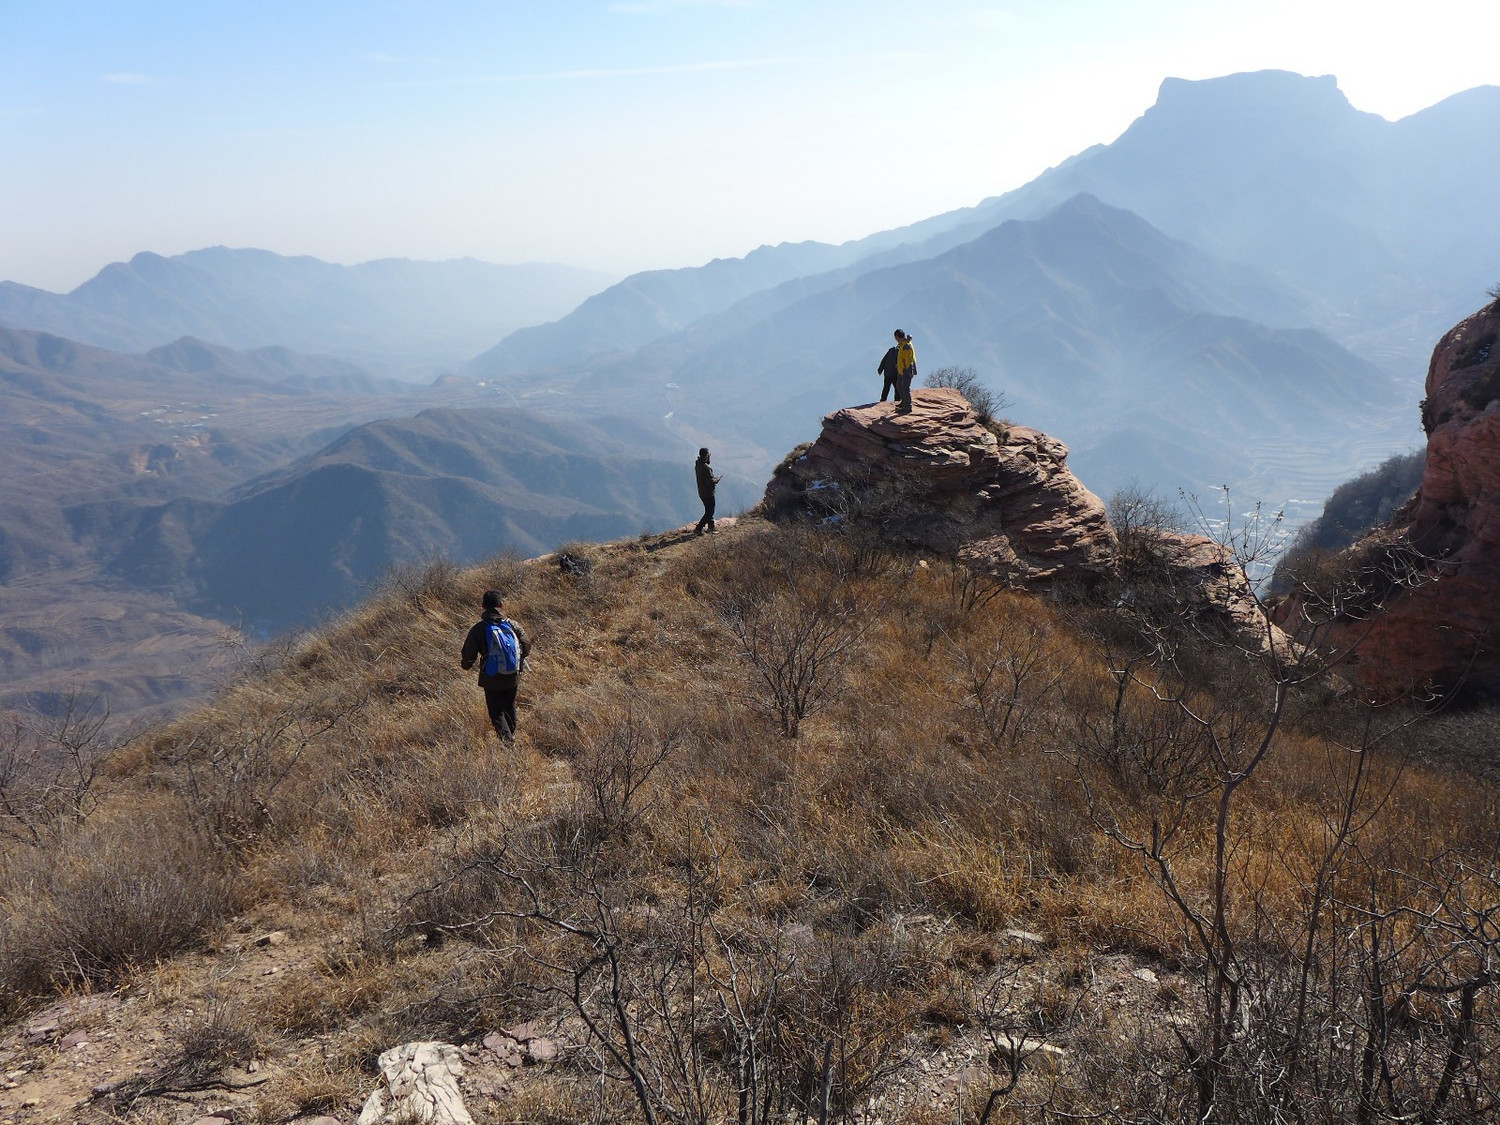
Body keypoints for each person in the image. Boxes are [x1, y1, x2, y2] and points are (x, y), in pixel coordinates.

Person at [460, 589, 532, 741]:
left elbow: (469, 654)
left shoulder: (479, 629)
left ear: (483, 605)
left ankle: (507, 741)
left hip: (491, 676)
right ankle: (511, 734)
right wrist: (519, 657)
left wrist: (466, 665)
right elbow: (526, 644)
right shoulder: (513, 624)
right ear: (501, 605)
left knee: (496, 711)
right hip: (513, 673)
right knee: (509, 704)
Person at [694, 447, 722, 534]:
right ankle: (699, 528)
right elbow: (710, 482)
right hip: (708, 493)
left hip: (702, 492)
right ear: (706, 456)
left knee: (708, 510)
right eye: (709, 455)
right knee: (710, 511)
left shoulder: (698, 465)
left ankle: (711, 528)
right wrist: (717, 479)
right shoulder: (706, 468)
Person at [893, 329, 918, 413]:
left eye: (896, 338)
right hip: (901, 369)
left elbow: (908, 360)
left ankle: (908, 407)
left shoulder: (906, 346)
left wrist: (909, 372)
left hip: (906, 369)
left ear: (898, 337)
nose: (896, 339)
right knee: (899, 386)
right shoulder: (902, 344)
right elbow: (902, 357)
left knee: (905, 388)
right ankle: (904, 402)